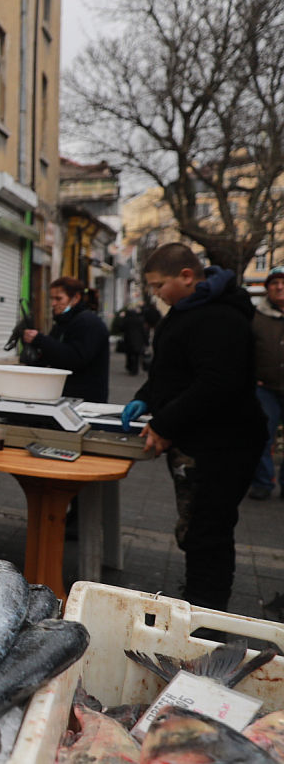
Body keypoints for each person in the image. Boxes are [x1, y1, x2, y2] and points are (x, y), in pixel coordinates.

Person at [120, 243, 264, 611]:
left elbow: (217, 384)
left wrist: (164, 423)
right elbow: (173, 370)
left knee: (207, 532)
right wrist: (146, 397)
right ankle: (199, 599)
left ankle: (205, 611)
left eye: (158, 285)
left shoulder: (218, 317)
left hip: (220, 447)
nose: (155, 294)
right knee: (197, 528)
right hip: (200, 442)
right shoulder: (186, 310)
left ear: (186, 276)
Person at [20, 276, 110, 402]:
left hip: (84, 400)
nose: (53, 303)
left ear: (76, 298)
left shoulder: (88, 323)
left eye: (58, 298)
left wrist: (40, 340)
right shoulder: (62, 323)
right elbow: (50, 356)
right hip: (63, 396)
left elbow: (75, 357)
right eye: (52, 299)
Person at [250, 265, 284, 500]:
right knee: (262, 436)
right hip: (265, 389)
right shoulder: (257, 318)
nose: (280, 287)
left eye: (283, 283)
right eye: (274, 283)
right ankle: (263, 482)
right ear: (267, 288)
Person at [112, 304, 148, 376]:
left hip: (129, 340)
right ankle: (135, 369)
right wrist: (146, 341)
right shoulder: (139, 320)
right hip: (138, 341)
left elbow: (121, 328)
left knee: (130, 355)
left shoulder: (126, 320)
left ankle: (131, 368)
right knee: (136, 355)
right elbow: (143, 331)